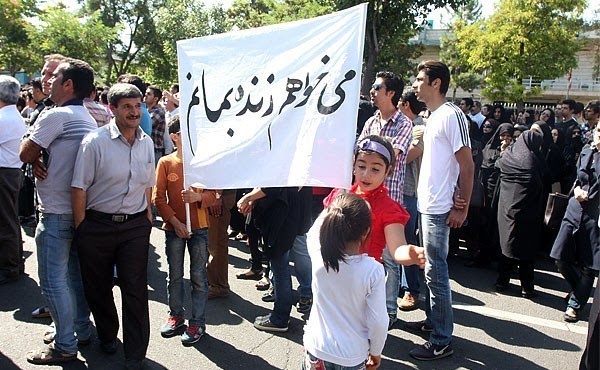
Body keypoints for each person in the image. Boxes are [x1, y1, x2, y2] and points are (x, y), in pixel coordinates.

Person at [71, 83, 155, 370]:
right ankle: (107, 334)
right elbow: (79, 187)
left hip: (135, 227)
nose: (134, 112)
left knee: (135, 289)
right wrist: (82, 226)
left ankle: (135, 353)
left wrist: (148, 216)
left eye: (138, 105)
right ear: (113, 109)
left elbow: (147, 183)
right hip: (97, 226)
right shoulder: (94, 142)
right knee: (98, 287)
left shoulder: (146, 142)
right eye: (127, 106)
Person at [20, 58, 96, 365]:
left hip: (55, 213)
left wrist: (35, 152)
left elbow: (26, 151)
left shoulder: (56, 116)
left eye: (54, 78)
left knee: (54, 282)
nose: (47, 83)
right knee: (74, 277)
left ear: (68, 85)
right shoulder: (87, 118)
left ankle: (65, 344)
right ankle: (80, 329)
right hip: (79, 212)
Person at [406, 60, 473, 361]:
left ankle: (442, 339)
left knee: (437, 273)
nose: (416, 84)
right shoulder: (431, 117)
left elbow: (467, 164)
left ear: (436, 83)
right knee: (430, 269)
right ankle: (434, 322)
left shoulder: (451, 115)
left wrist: (463, 208)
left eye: (421, 79)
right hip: (427, 204)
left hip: (439, 208)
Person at [324, 135, 424, 328]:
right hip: (331, 276)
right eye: (361, 166)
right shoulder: (340, 194)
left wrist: (409, 253)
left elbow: (397, 248)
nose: (366, 174)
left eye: (375, 169)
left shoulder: (388, 207)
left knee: (357, 335)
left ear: (388, 172)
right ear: (353, 164)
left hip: (361, 285)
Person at [302, 193, 388, 370]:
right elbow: (378, 321)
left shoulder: (319, 257)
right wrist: (376, 351)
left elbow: (313, 231)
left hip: (317, 348)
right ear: (365, 232)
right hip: (352, 355)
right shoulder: (372, 270)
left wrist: (337, 197)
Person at [153, 116, 217, 344]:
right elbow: (158, 197)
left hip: (199, 228)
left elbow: (214, 194)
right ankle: (175, 315)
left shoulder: (202, 163)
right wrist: (175, 222)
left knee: (199, 276)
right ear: (174, 137)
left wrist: (199, 196)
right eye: (183, 133)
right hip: (174, 229)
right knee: (175, 275)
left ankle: (198, 322)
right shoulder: (165, 162)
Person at [358, 71, 413, 326]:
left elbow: (389, 153)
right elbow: (362, 152)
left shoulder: (404, 123)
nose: (372, 90)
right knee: (364, 255)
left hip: (389, 203)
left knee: (390, 259)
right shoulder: (370, 122)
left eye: (377, 87)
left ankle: (389, 311)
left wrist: (372, 148)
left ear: (391, 93)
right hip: (364, 202)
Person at [237, 186, 313, 332]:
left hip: (283, 218)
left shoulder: (286, 164)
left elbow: (274, 186)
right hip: (293, 214)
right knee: (284, 265)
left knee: (280, 269)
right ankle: (296, 300)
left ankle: (280, 318)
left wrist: (249, 197)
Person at [550, 124, 600, 323]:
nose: (599, 135)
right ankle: (579, 288)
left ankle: (575, 305)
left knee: (590, 264)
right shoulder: (587, 151)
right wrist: (578, 189)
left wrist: (588, 195)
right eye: (598, 131)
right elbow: (578, 176)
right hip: (575, 208)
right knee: (559, 256)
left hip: (595, 214)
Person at [495, 130, 548, 298]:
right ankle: (527, 287)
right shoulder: (533, 161)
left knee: (506, 245)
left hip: (505, 210)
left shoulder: (508, 158)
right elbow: (543, 182)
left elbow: (497, 165)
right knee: (527, 250)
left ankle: (502, 281)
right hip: (529, 212)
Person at [0, 76, 26, 284]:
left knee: (6, 221)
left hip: (5, 173)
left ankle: (9, 267)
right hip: (11, 171)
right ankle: (14, 263)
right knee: (10, 220)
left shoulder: (4, 118)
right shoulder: (12, 115)